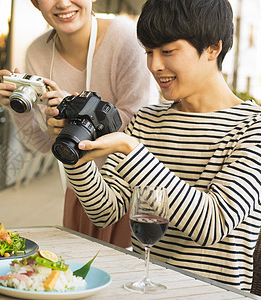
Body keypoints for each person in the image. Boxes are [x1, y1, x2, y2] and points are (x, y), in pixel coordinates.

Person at [63, 0, 261, 291]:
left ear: (212, 49)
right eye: (149, 52)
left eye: (168, 51)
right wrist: (77, 158)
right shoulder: (146, 121)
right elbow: (105, 212)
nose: (155, 65)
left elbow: (213, 224)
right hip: (142, 290)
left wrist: (132, 151)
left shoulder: (252, 128)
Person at [0, 0, 151, 248]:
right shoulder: (38, 52)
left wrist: (73, 107)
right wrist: (19, 108)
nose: (63, 3)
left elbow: (138, 125)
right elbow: (42, 144)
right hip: (79, 189)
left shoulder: (126, 38)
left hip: (126, 192)